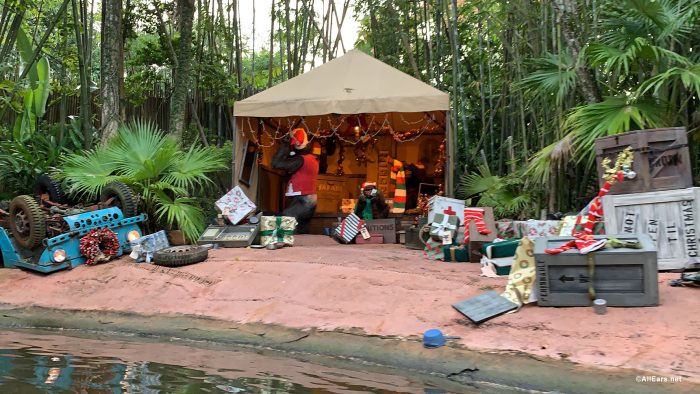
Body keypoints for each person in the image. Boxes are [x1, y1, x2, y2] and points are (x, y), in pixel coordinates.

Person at [272, 128, 319, 234]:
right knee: (301, 229)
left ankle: (279, 240)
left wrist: (285, 144)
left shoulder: (301, 160)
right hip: (309, 199)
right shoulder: (311, 159)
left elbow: (276, 163)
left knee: (287, 220)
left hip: (304, 199)